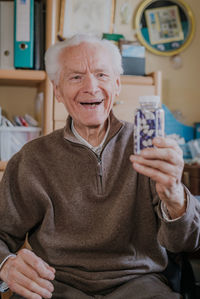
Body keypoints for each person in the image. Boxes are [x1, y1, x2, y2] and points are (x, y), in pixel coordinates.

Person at [0, 34, 200, 299]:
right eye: (75, 77)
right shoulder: (32, 158)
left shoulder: (152, 149)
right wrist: (6, 264)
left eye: (102, 75)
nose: (91, 87)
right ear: (57, 91)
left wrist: (175, 197)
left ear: (117, 85)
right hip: (56, 286)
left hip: (140, 285)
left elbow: (187, 243)